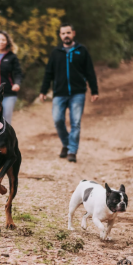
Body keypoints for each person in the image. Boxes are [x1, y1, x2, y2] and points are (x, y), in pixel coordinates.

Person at [39, 23, 99, 163]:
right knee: (58, 120)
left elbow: (90, 72)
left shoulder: (82, 50)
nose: (66, 35)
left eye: (68, 33)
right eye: (63, 33)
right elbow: (49, 73)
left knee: (75, 122)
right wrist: (43, 90)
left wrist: (94, 90)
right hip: (59, 93)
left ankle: (72, 151)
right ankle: (66, 144)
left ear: (73, 33)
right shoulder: (55, 52)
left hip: (78, 93)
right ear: (60, 35)